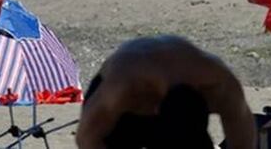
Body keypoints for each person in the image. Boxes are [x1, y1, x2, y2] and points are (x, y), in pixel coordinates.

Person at [77, 35, 256, 149]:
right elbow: (86, 139)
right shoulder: (122, 87)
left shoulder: (219, 83)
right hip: (123, 107)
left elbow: (243, 143)